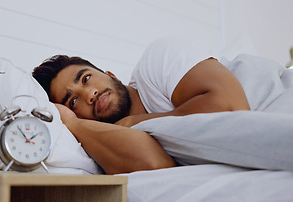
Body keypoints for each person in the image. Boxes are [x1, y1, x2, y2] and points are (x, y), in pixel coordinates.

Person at [32, 36, 251, 174]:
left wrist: (133, 122)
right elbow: (157, 168)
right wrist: (72, 124)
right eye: (73, 100)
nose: (89, 94)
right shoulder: (103, 144)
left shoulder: (158, 61)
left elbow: (233, 111)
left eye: (86, 78)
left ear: (111, 75)